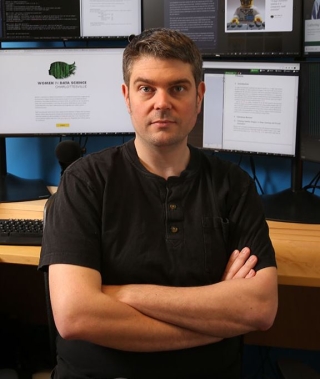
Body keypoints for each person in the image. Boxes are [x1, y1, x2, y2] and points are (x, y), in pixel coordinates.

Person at [38, 28, 278, 379]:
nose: (161, 102)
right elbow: (76, 316)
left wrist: (124, 294)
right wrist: (218, 315)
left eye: (177, 88)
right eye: (146, 88)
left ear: (199, 95)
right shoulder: (84, 182)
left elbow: (259, 308)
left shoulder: (233, 185)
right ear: (127, 96)